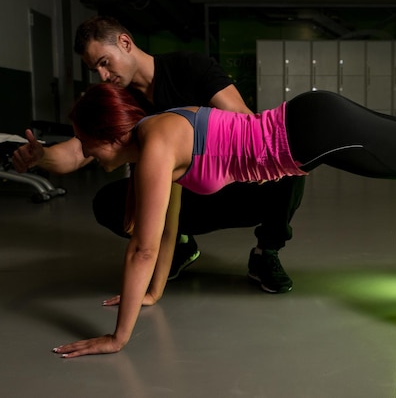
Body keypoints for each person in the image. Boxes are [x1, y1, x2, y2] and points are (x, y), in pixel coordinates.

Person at [52, 83, 396, 358]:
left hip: (317, 135)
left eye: (85, 145)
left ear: (110, 134)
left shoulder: (152, 150)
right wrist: (152, 296)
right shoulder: (156, 133)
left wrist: (118, 336)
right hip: (313, 116)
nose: (87, 157)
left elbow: (143, 248)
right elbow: (169, 228)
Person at [12, 15, 304, 293]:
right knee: (108, 203)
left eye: (104, 63)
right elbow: (80, 150)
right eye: (95, 70)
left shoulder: (190, 67)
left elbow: (243, 120)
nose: (102, 75)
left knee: (290, 169)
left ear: (125, 43)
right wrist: (42, 157)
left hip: (224, 185)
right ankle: (179, 246)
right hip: (173, 197)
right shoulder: (120, 99)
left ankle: (266, 252)